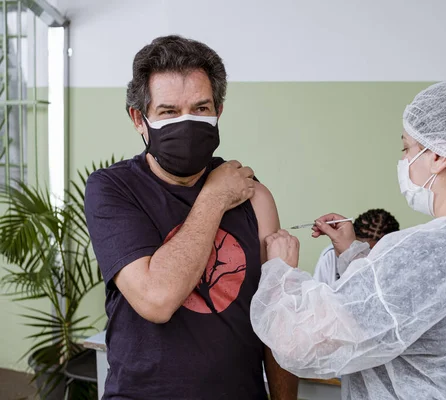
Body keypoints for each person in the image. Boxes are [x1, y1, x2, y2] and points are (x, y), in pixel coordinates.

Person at [250, 79, 446, 399]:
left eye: (407, 148)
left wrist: (281, 270)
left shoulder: (431, 252)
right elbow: (416, 308)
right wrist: (352, 254)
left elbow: (303, 344)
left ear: (438, 157)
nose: (404, 161)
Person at [84, 35, 297, 399]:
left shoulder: (252, 195)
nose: (187, 122)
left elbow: (275, 324)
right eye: (168, 111)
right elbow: (156, 300)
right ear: (139, 119)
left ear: (219, 111)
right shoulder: (113, 189)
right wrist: (213, 196)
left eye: (200, 108)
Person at [313, 209, 399, 285]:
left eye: (372, 252)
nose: (367, 257)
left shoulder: (397, 261)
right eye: (361, 250)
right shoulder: (330, 255)